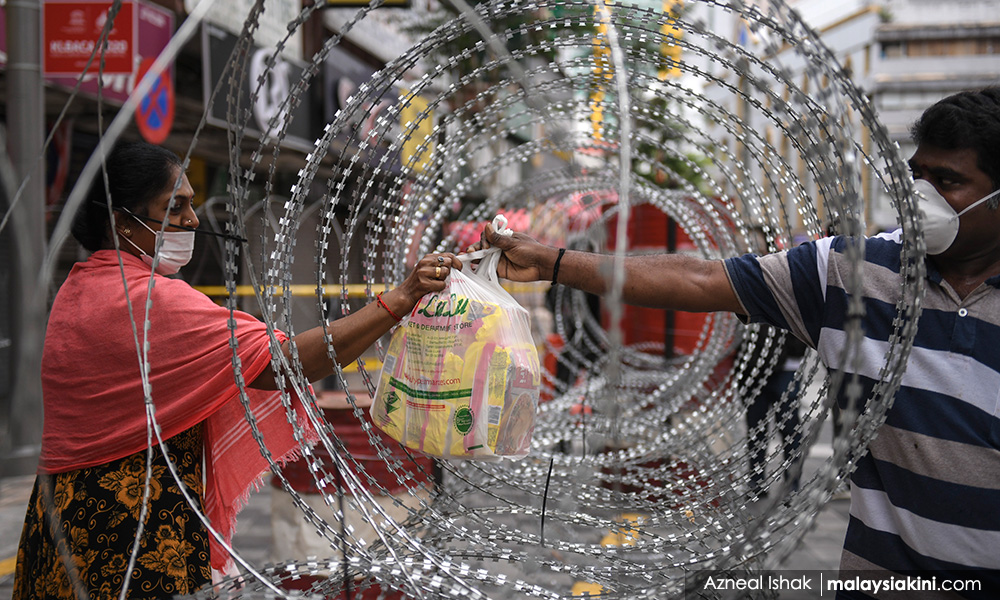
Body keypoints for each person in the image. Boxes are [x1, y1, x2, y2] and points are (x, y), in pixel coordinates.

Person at [472, 88, 1000, 596]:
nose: (919, 197)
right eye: (915, 176)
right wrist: (552, 262)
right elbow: (700, 279)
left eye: (947, 181)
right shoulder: (854, 271)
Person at [13, 141, 462, 598]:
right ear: (122, 221)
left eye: (191, 204)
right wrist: (397, 301)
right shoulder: (147, 300)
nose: (191, 219)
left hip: (62, 517)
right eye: (175, 206)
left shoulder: (81, 286)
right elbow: (284, 363)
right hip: (130, 527)